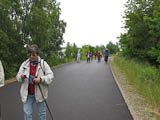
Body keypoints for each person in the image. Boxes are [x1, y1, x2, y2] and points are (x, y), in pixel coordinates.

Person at [16, 44, 54, 120]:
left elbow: (51, 76)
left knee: (41, 114)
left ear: (37, 54)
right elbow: (18, 77)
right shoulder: (24, 64)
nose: (31, 57)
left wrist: (40, 79)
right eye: (29, 55)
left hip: (40, 94)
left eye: (33, 55)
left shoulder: (43, 64)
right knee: (27, 113)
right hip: (27, 94)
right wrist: (21, 77)